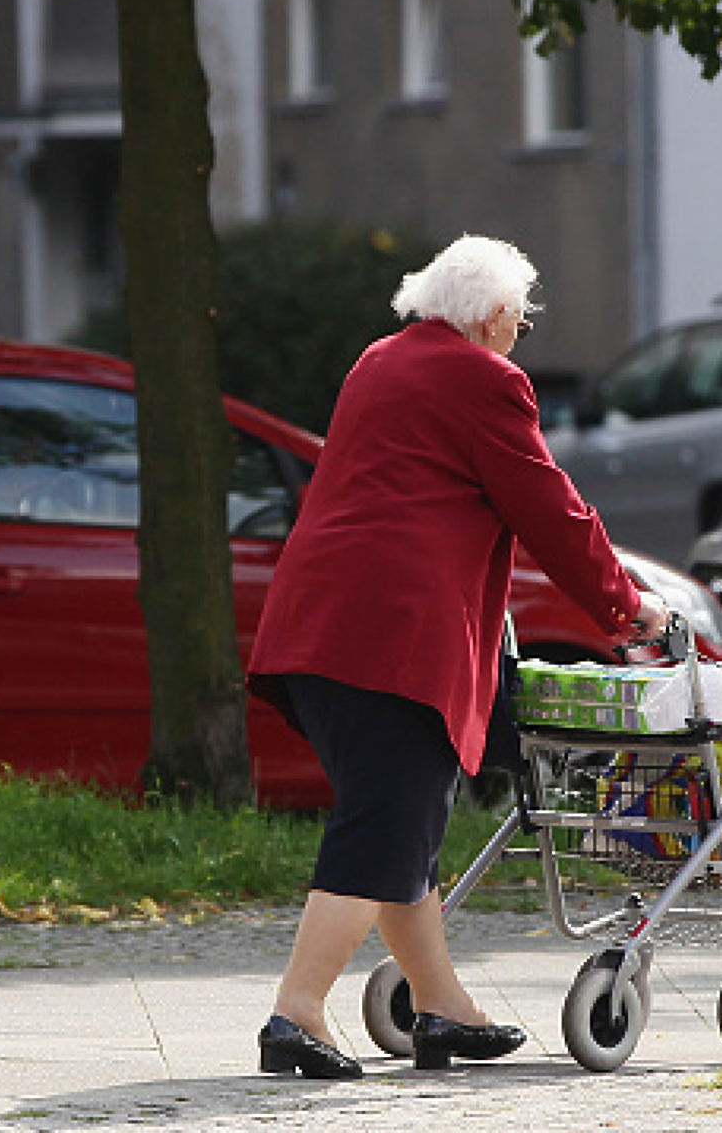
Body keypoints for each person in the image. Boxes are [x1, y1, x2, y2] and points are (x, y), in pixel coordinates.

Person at [247, 235, 667, 1079]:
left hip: (317, 625)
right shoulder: (484, 377)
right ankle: (296, 1010)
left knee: (403, 825)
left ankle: (441, 1009)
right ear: (496, 315)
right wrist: (628, 604)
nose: (521, 335)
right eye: (520, 319)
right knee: (384, 824)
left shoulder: (380, 361)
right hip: (395, 640)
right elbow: (550, 508)